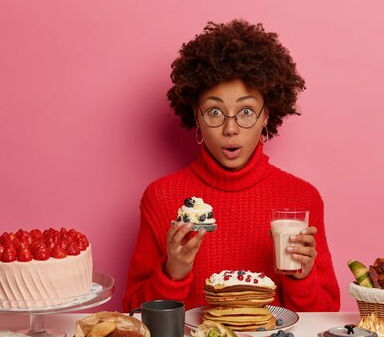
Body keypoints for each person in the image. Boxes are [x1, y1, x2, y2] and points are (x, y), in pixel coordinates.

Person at [123, 20, 340, 313]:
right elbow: (132, 313)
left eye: (246, 112)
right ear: (196, 117)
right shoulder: (161, 197)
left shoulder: (301, 199)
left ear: (266, 116)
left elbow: (325, 319)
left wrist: (300, 277)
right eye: (214, 111)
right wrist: (172, 273)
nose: (230, 128)